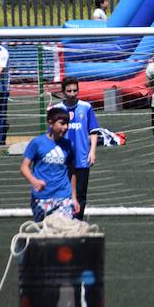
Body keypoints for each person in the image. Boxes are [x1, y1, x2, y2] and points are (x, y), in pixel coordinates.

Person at [20, 107, 78, 221]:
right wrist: (34, 181)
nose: (65, 127)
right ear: (50, 123)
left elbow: (73, 172)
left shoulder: (68, 145)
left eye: (67, 124)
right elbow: (24, 166)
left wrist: (74, 198)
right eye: (62, 123)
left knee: (64, 232)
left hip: (63, 196)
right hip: (42, 197)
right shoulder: (37, 143)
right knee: (44, 234)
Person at [57, 77, 99, 220]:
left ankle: (77, 221)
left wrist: (92, 151)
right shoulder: (57, 109)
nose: (73, 93)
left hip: (82, 158)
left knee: (81, 194)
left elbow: (93, 131)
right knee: (64, 193)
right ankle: (64, 220)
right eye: (69, 91)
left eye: (75, 90)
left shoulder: (86, 107)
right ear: (63, 92)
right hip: (63, 160)